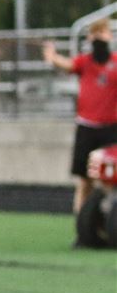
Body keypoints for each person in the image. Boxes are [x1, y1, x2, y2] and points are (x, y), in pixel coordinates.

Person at [43, 19, 117, 215]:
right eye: (95, 33)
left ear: (109, 36)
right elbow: (66, 64)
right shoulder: (84, 62)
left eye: (102, 32)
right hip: (87, 129)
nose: (99, 37)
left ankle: (109, 220)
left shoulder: (116, 62)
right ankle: (81, 223)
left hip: (110, 130)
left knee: (110, 181)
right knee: (85, 180)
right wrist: (52, 55)